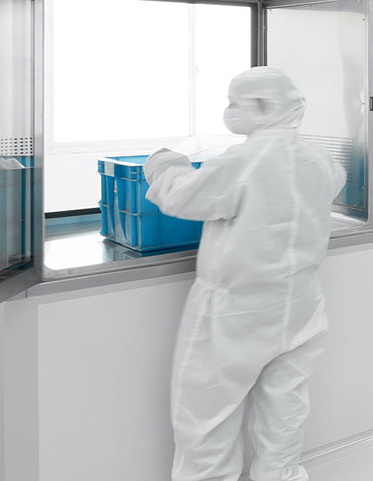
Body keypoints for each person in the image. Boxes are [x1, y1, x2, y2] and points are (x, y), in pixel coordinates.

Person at [147, 67, 345, 481]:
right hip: (300, 304)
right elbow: (323, 188)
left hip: (236, 312)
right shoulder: (318, 158)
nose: (230, 110)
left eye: (235, 103)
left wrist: (165, 163)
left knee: (206, 414)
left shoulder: (244, 160)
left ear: (263, 105)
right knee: (285, 409)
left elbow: (183, 196)